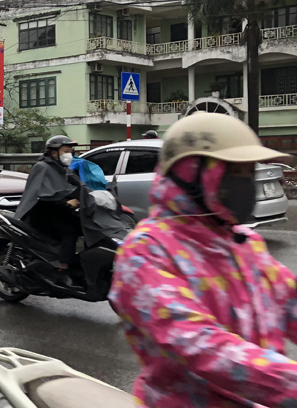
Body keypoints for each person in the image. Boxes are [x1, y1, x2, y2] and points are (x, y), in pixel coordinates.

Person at [109, 113, 297, 408]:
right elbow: (199, 346)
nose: (246, 184)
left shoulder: (244, 242)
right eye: (236, 173)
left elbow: (290, 302)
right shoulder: (145, 252)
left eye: (250, 173)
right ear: (191, 173)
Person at [14, 135, 83, 286]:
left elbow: (80, 185)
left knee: (85, 226)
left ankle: (79, 265)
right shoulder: (42, 168)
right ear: (54, 153)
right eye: (66, 151)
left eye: (71, 151)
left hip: (61, 212)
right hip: (42, 215)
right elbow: (43, 195)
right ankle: (62, 271)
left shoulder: (65, 168)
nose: (70, 154)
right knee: (69, 230)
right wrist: (66, 204)